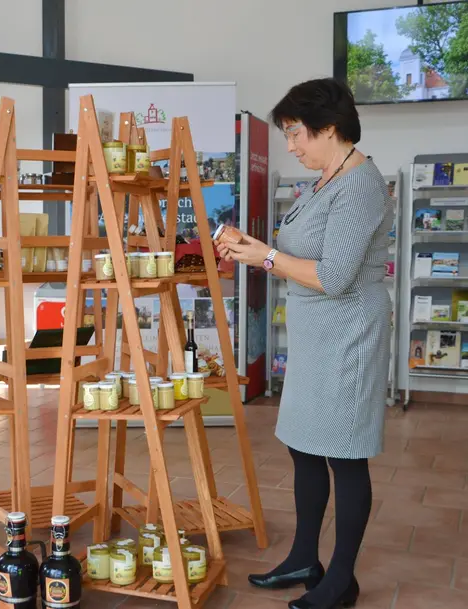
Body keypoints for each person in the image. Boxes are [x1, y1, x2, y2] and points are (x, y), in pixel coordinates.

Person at [215, 78, 392, 609]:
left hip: (348, 335)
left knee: (344, 453)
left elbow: (335, 275)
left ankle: (341, 579)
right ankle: (304, 557)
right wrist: (254, 248)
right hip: (315, 334)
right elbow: (299, 251)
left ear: (328, 129)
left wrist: (263, 258)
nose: (290, 146)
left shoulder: (360, 183)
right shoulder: (324, 180)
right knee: (304, 444)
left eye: (295, 134)